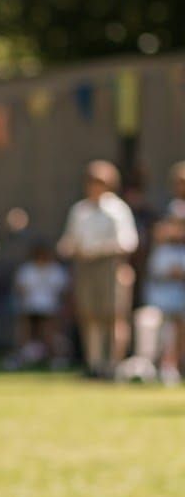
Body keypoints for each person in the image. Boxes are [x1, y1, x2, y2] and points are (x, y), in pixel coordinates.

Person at [57, 160, 139, 378]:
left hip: (110, 265)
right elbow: (70, 240)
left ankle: (113, 365)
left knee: (113, 316)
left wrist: (99, 249)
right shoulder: (79, 210)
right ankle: (94, 365)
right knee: (89, 316)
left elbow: (128, 242)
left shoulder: (118, 210)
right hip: (85, 267)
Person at [12, 241, 70, 368]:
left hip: (50, 308)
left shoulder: (56, 269)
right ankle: (21, 357)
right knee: (25, 332)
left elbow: (63, 291)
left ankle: (56, 358)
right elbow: (20, 289)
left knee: (50, 333)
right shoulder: (27, 269)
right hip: (30, 308)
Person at [142, 215, 185, 385]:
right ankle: (164, 366)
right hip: (160, 303)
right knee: (166, 331)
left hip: (180, 303)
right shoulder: (160, 252)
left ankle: (177, 365)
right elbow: (159, 273)